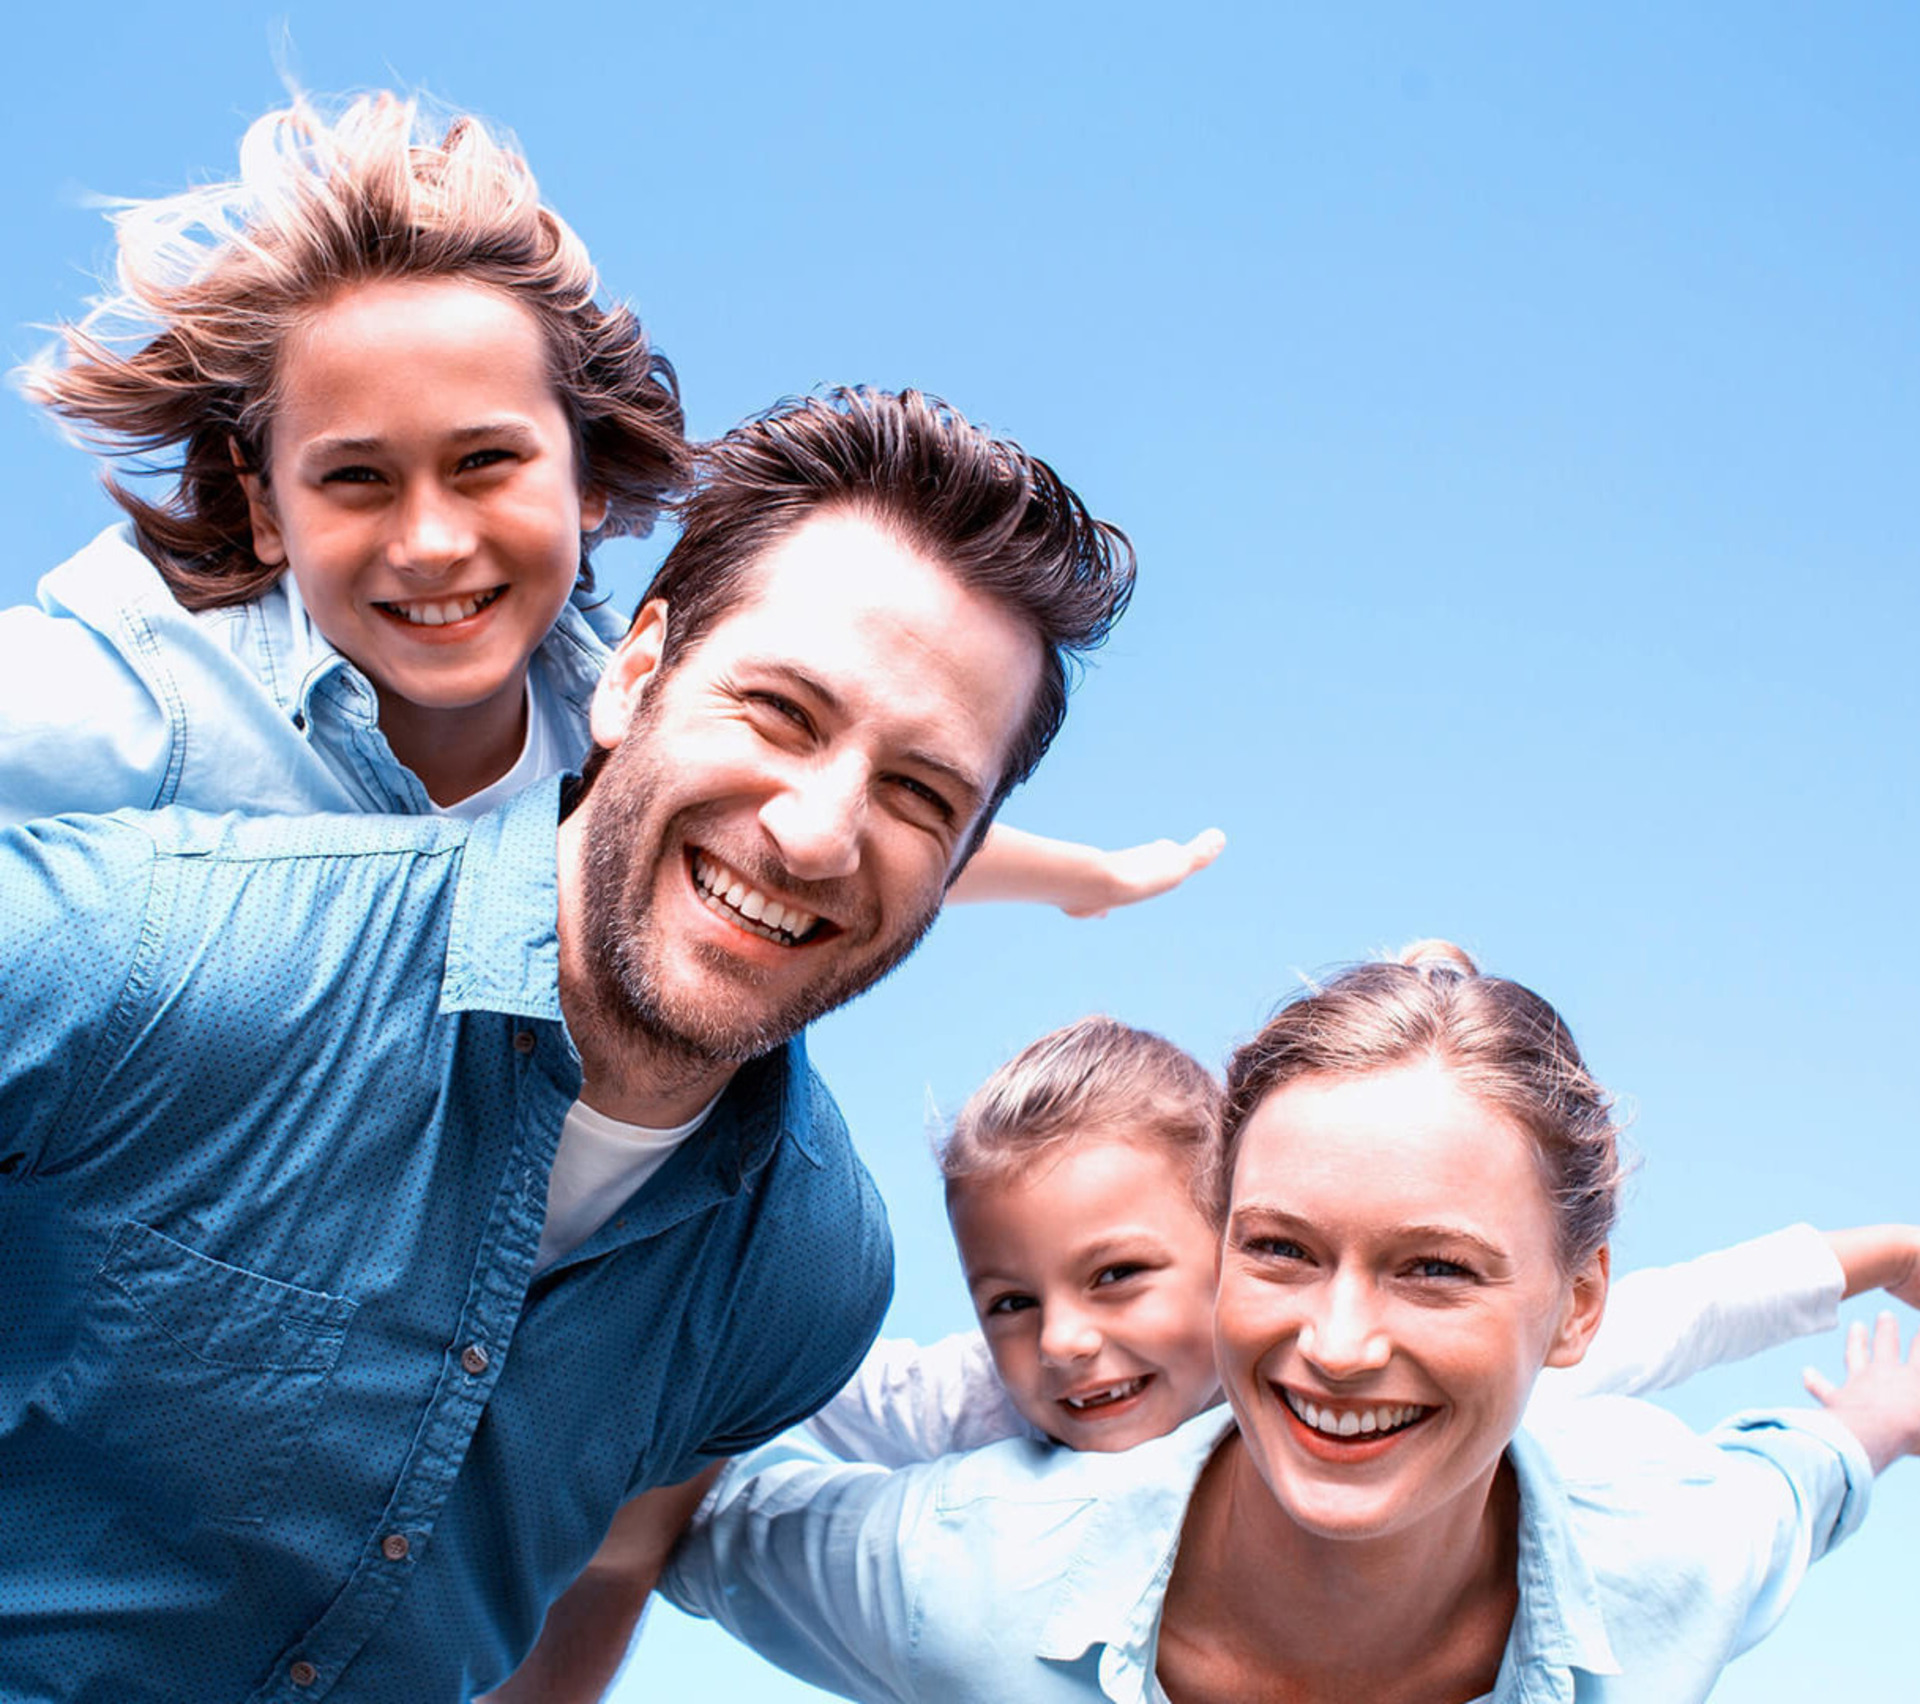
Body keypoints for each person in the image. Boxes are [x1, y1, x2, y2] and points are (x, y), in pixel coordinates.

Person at [0, 386, 1136, 1703]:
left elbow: (602, 1567)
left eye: (919, 793)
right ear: (635, 676)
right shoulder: (146, 952)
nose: (819, 832)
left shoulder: (808, 1277)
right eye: (781, 713)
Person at [1, 89, 1221, 918]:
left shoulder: (603, 704)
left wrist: (1078, 877)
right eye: (357, 480)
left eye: (487, 465)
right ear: (269, 515)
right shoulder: (147, 697)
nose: (430, 543)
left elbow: (808, 800)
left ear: (588, 482)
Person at [664, 947, 1920, 1702]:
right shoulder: (961, 1566)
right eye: (1280, 1250)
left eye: (1435, 1268)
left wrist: (1876, 1408)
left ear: (1574, 1307)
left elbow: (1790, 1483)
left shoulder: (1677, 1551)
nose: (1339, 1342)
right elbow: (671, 1516)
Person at [807, 1012, 1919, 1465]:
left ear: (1242, 1246)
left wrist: (1892, 1256)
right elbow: (771, 1364)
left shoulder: (1375, 1374)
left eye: (1120, 1277)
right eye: (1010, 1301)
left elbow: (1682, 1316)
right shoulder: (978, 1407)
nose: (1064, 1341)